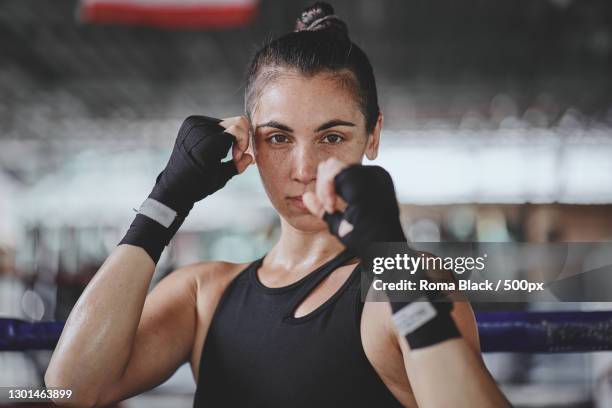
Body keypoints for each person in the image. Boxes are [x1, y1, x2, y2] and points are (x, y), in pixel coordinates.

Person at [45, 2, 510, 407]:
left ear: (373, 137)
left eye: (331, 136)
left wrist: (391, 257)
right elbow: (70, 389)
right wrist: (165, 202)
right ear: (250, 145)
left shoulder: (400, 283)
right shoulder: (203, 295)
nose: (304, 168)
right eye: (279, 137)